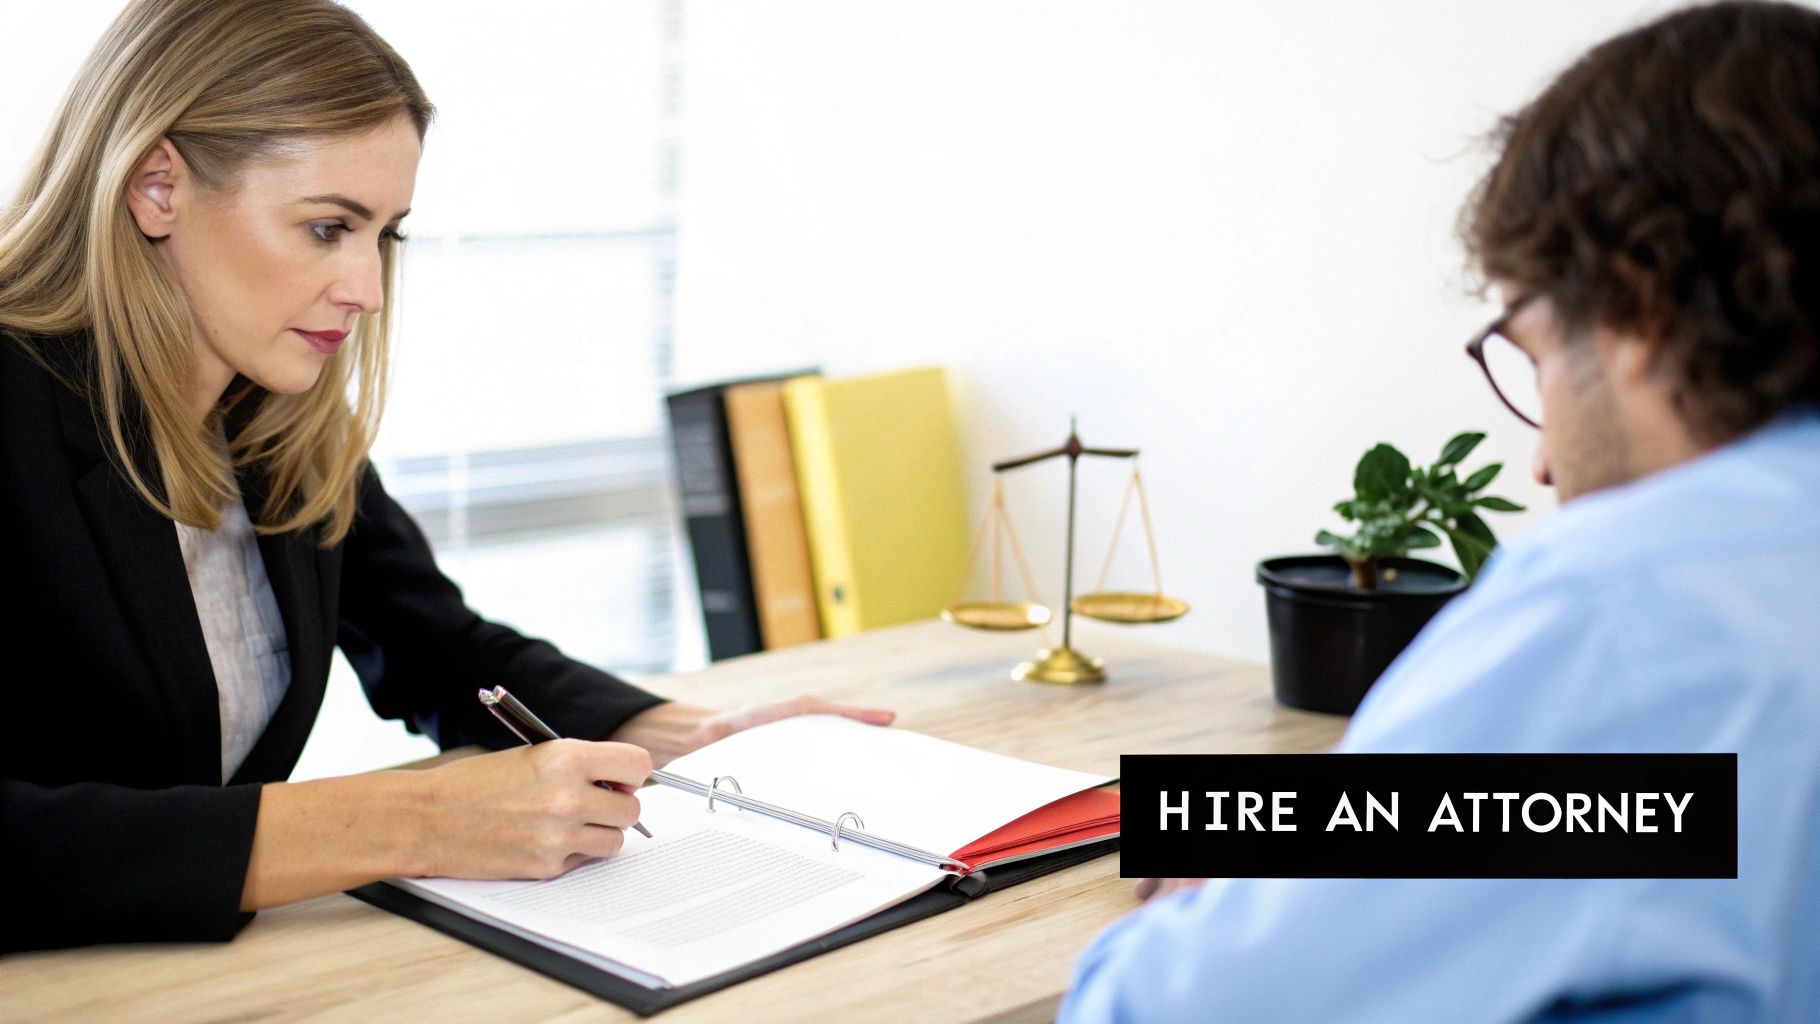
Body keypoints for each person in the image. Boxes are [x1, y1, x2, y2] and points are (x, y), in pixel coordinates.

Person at [0, 0, 890, 954]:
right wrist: (407, 818)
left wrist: (686, 736)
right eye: (327, 227)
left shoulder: (272, 419)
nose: (367, 290)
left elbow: (443, 651)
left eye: (385, 234)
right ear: (158, 186)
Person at [1061, 2, 1820, 1020]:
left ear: (1637, 301)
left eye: (1537, 360)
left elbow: (1163, 1011)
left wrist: (1236, 897)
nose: (1542, 462)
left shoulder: (1630, 603)